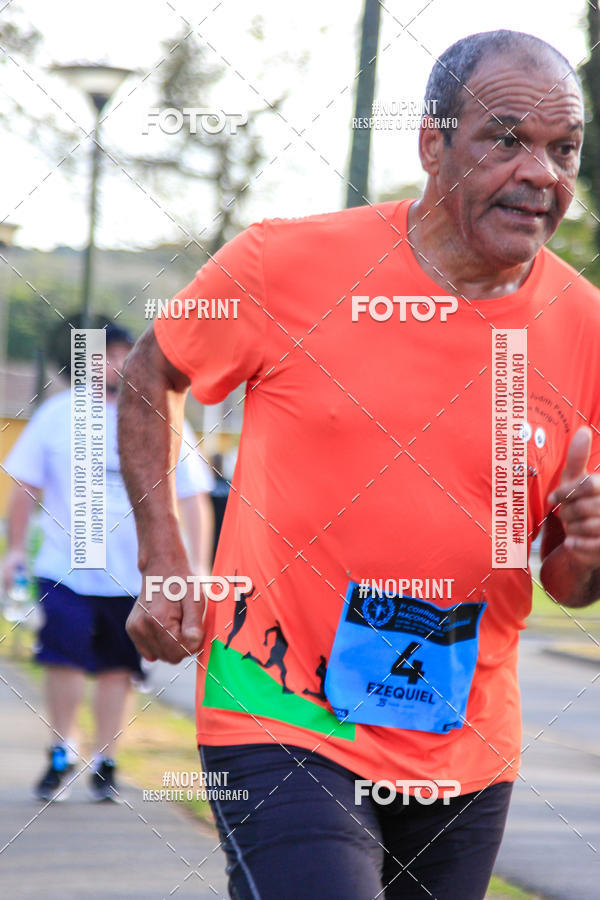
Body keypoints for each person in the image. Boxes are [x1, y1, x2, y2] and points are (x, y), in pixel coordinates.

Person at [117, 30, 600, 899]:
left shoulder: (585, 327)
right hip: (277, 708)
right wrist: (163, 561)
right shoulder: (285, 263)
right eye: (506, 138)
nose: (542, 174)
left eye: (564, 148)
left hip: (464, 742)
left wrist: (591, 555)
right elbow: (153, 371)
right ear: (431, 144)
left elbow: (568, 576)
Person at [2, 323, 214, 802]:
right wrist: (15, 550)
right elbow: (25, 485)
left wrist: (198, 565)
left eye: (124, 354)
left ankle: (106, 760)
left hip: (136, 575)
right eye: (105, 355)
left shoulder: (166, 417)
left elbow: (194, 496)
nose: (114, 364)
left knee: (120, 668)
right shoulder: (58, 415)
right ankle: (61, 748)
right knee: (63, 657)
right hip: (64, 568)